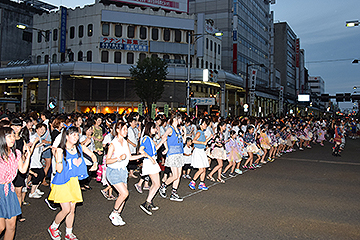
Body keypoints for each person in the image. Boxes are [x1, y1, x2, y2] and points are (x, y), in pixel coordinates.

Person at [47, 126, 97, 240]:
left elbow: (92, 155)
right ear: (67, 136)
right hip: (61, 182)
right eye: (73, 135)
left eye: (77, 135)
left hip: (73, 181)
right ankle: (53, 227)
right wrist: (58, 156)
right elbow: (59, 169)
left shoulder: (80, 147)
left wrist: (95, 163)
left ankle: (68, 233)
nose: (76, 137)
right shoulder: (61, 149)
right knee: (66, 209)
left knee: (72, 209)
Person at [106, 121, 143, 226]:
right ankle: (113, 213)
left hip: (123, 171)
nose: (126, 131)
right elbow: (107, 161)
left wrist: (141, 155)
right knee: (124, 193)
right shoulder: (113, 144)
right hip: (113, 171)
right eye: (124, 129)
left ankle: (117, 214)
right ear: (117, 130)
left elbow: (130, 157)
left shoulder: (125, 142)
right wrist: (118, 158)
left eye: (126, 129)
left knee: (124, 195)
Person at [0, 127, 31, 240]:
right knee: (1, 227)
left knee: (12, 226)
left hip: (10, 190)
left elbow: (22, 170)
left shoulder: (16, 153)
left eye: (13, 135)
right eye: (9, 136)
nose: (12, 138)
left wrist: (28, 157)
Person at [138, 122, 166, 215]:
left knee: (156, 184)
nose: (156, 130)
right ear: (149, 128)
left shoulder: (150, 139)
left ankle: (149, 202)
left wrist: (161, 142)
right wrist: (150, 158)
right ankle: (147, 202)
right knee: (156, 184)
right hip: (149, 162)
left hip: (152, 161)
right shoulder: (146, 138)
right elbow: (141, 151)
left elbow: (154, 150)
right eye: (154, 128)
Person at [159, 113, 185, 202]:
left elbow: (183, 141)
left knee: (178, 175)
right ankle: (163, 186)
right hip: (173, 154)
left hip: (180, 153)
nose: (181, 121)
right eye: (180, 119)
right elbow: (163, 137)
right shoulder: (170, 128)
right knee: (175, 175)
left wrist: (184, 133)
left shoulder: (178, 129)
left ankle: (174, 193)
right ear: (175, 119)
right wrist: (166, 148)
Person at [188, 118, 212, 190]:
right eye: (204, 124)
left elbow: (204, 143)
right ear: (200, 125)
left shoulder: (202, 132)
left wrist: (209, 138)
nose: (205, 126)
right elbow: (193, 141)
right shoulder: (199, 132)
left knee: (204, 168)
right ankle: (193, 181)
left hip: (202, 151)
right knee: (201, 169)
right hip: (198, 151)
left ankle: (201, 183)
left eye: (206, 124)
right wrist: (203, 142)